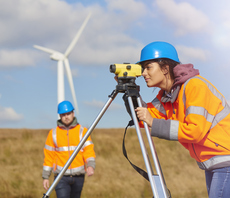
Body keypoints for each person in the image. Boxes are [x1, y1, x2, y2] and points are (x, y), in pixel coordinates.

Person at [123, 41, 230, 198]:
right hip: (213, 163)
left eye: (148, 67)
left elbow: (195, 131)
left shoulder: (194, 86)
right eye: (142, 69)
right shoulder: (168, 96)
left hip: (225, 159)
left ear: (165, 68)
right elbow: (143, 119)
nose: (144, 73)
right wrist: (130, 92)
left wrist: (153, 122)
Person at [42, 100, 96, 198]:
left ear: (73, 113)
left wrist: (90, 165)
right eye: (63, 114)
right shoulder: (53, 133)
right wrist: (46, 176)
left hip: (79, 177)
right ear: (60, 116)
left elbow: (89, 151)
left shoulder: (82, 131)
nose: (66, 117)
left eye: (68, 113)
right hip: (60, 177)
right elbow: (49, 156)